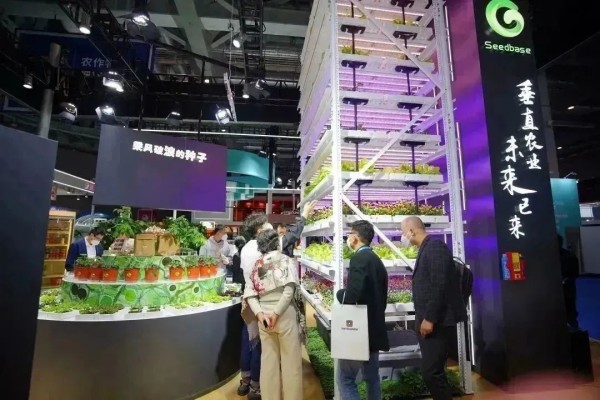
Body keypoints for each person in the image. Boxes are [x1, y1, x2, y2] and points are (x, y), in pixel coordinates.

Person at [400, 216, 466, 400]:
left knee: (432, 373)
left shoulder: (435, 247)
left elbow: (439, 285)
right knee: (433, 372)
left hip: (438, 322)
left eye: (403, 232)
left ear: (411, 231)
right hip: (432, 321)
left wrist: (429, 318)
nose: (402, 236)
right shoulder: (426, 248)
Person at [244, 229, 305, 400]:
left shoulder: (256, 265)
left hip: (264, 315)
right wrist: (277, 313)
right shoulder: (285, 260)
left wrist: (260, 314)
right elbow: (290, 289)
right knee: (291, 363)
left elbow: (249, 293)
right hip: (285, 314)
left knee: (268, 363)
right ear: (276, 243)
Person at [335, 220, 389, 400]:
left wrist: (340, 294)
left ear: (356, 237)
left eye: (349, 234)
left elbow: (353, 294)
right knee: (372, 378)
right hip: (374, 329)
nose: (347, 238)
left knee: (345, 378)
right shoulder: (376, 260)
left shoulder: (359, 258)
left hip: (358, 330)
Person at [238, 213, 272, 399]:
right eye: (267, 224)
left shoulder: (246, 248)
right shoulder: (261, 248)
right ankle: (255, 387)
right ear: (259, 230)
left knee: (247, 340)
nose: (270, 227)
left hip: (247, 299)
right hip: (260, 300)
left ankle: (245, 380)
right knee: (259, 343)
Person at [558, 234, 579, 329]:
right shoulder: (570, 255)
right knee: (570, 312)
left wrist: (565, 280)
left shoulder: (569, 256)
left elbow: (574, 273)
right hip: (567, 289)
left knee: (570, 312)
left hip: (567, 290)